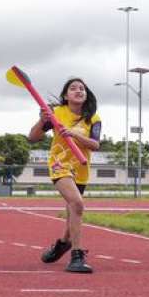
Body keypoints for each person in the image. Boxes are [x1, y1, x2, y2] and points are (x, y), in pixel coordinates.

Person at [28, 77, 101, 273]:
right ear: (66, 95)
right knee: (77, 204)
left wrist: (74, 134)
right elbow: (33, 138)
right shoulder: (56, 113)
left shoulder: (93, 118)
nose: (79, 90)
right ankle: (76, 256)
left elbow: (95, 145)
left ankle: (64, 243)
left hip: (81, 169)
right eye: (73, 88)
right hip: (60, 165)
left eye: (82, 88)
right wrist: (42, 120)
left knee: (73, 213)